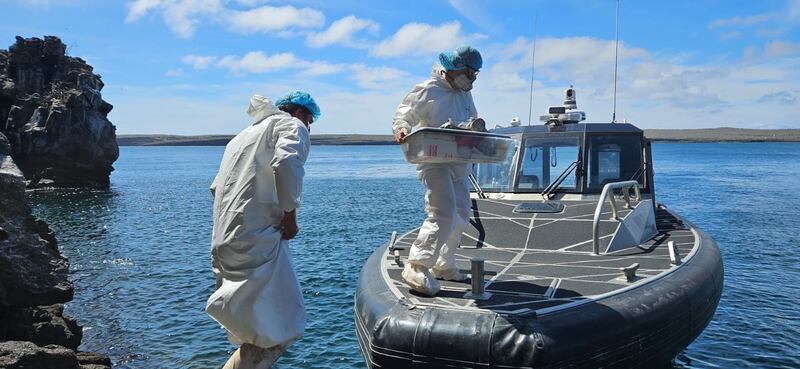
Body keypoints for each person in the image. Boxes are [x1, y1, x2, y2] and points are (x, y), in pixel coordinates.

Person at [206, 91, 320, 369]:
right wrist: (290, 216)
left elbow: (215, 187)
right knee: (281, 328)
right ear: (302, 114)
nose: (309, 128)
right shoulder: (292, 125)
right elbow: (286, 163)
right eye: (311, 121)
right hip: (258, 240)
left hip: (225, 241)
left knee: (257, 329)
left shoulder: (242, 136)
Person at [392, 45, 482, 296]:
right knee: (442, 212)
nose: (472, 78)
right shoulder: (428, 90)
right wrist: (401, 129)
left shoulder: (464, 94)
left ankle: (444, 263)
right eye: (469, 72)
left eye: (475, 73)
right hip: (434, 161)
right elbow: (404, 115)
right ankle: (417, 265)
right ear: (453, 69)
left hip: (458, 161)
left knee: (461, 213)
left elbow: (472, 120)